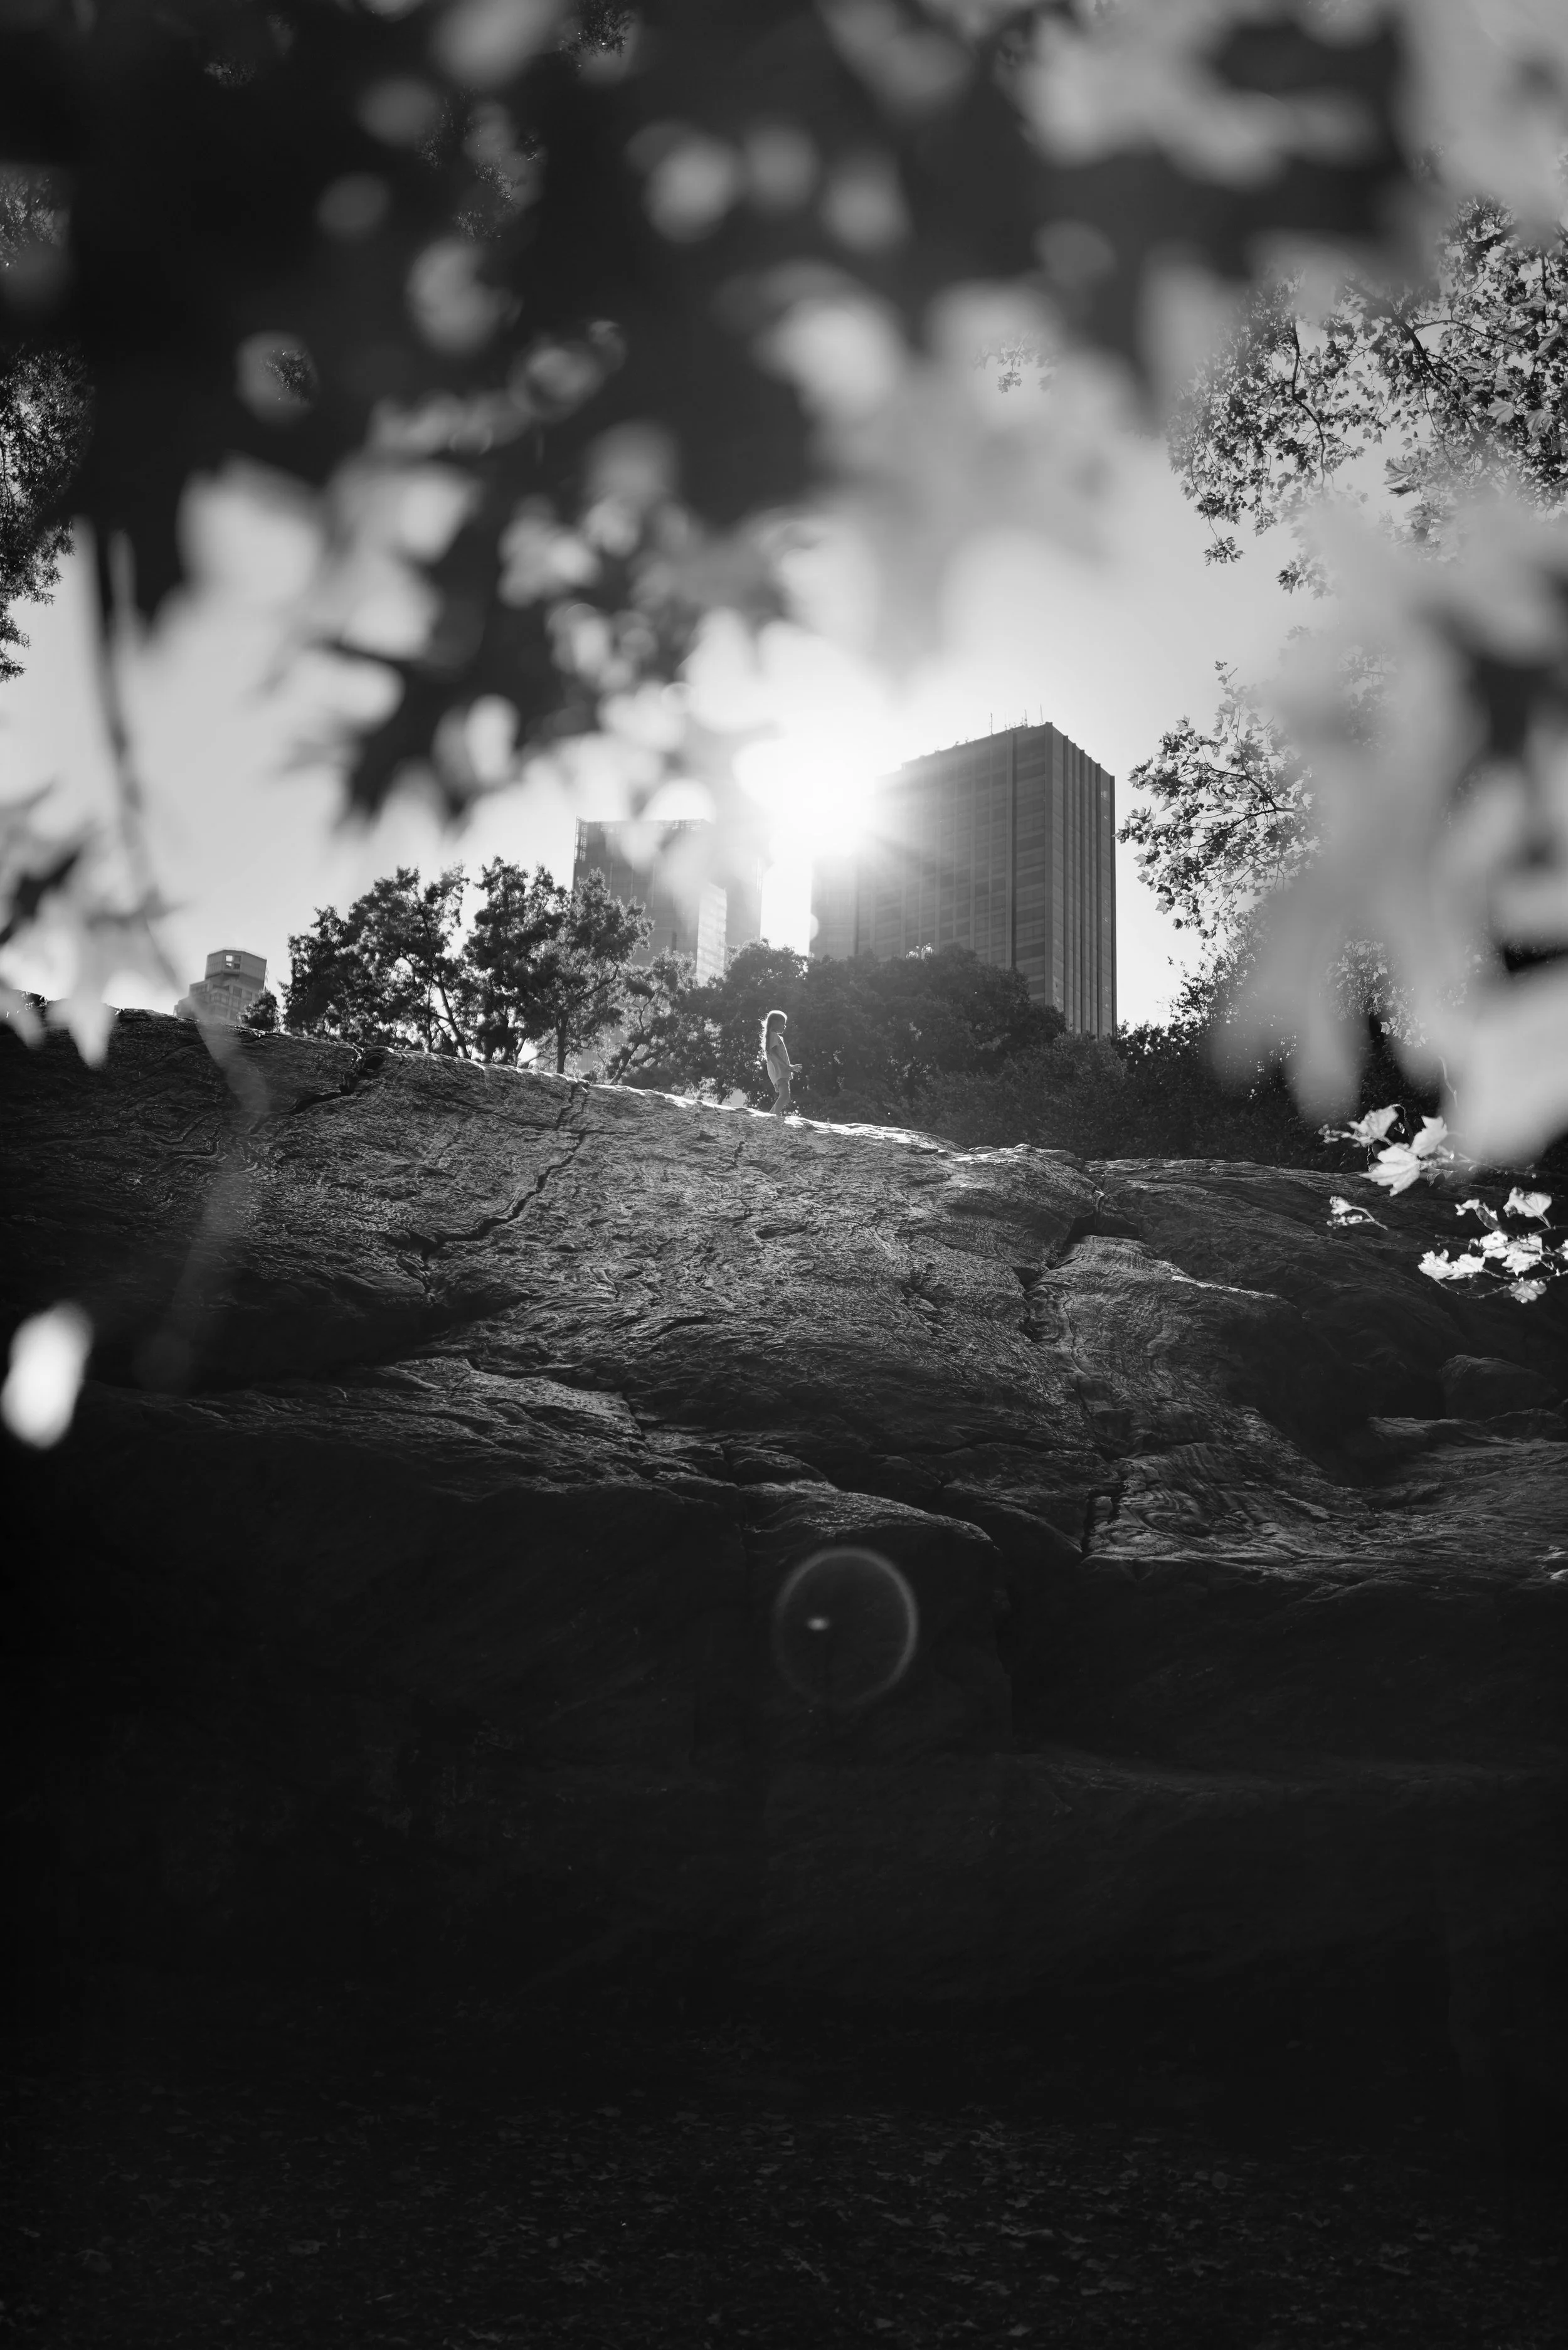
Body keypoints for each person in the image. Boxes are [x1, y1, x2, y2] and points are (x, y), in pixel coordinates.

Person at [760, 1008, 800, 1119]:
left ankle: (770, 1116)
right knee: (784, 1096)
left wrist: (790, 1066)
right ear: (775, 1023)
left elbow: (776, 1054)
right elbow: (772, 1053)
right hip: (779, 1070)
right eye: (783, 1023)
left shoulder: (773, 1036)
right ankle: (772, 1118)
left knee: (785, 1098)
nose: (784, 1026)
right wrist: (787, 1066)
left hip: (780, 1069)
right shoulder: (773, 1035)